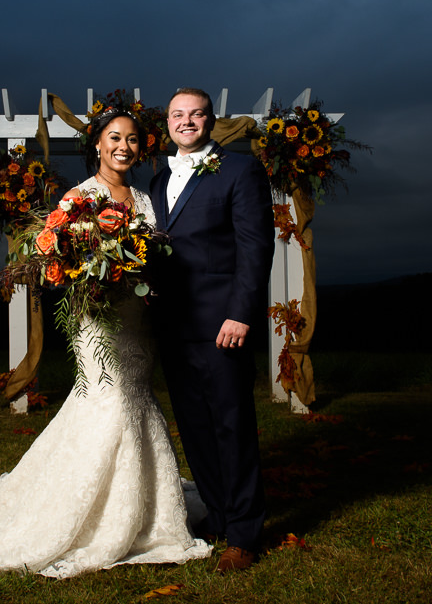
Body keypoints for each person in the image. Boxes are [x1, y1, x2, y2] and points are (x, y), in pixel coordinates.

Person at [0, 108, 211, 577]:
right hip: (97, 322)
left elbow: (159, 256)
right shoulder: (79, 198)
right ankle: (92, 518)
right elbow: (57, 263)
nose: (124, 147)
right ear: (97, 145)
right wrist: (93, 270)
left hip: (137, 321)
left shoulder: (146, 199)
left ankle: (143, 513)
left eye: (132, 140)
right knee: (107, 402)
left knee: (135, 399)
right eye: (115, 138)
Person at [148, 87, 274, 573]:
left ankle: (245, 532)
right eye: (178, 115)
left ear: (210, 120)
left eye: (195, 114)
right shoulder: (158, 181)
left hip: (224, 323)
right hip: (175, 326)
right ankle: (219, 516)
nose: (186, 121)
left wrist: (241, 312)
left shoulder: (241, 170)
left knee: (232, 425)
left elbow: (255, 247)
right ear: (168, 123)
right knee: (196, 428)